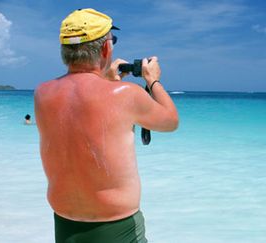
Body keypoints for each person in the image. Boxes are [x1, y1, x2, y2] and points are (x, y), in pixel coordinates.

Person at [34, 9, 178, 243]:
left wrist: (105, 80)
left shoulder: (42, 93)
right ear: (105, 49)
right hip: (118, 227)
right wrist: (153, 80)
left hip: (64, 223)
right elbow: (170, 121)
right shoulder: (125, 94)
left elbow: (82, 106)